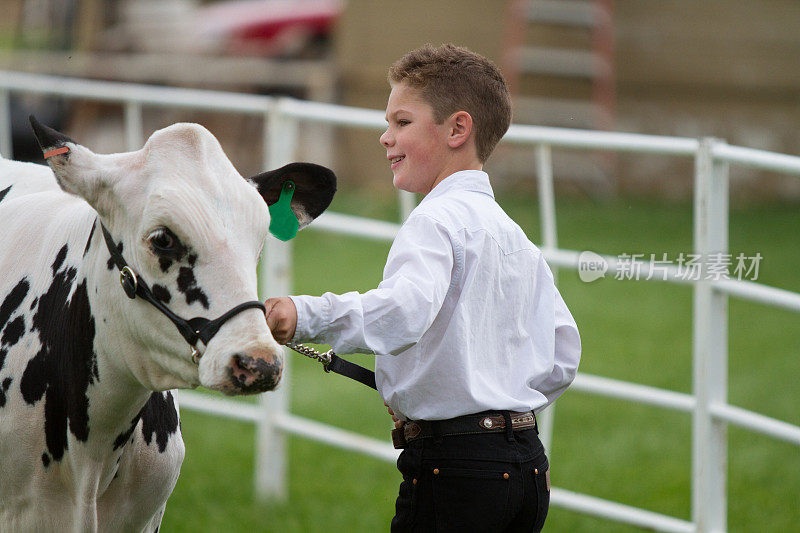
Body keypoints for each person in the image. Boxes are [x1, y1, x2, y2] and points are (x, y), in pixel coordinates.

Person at [265, 43, 581, 532]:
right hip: (526, 468)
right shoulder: (514, 237)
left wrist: (305, 315)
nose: (385, 137)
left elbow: (404, 313)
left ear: (458, 129)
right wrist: (498, 403)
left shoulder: (434, 220)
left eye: (402, 122)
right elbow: (563, 356)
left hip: (454, 472)